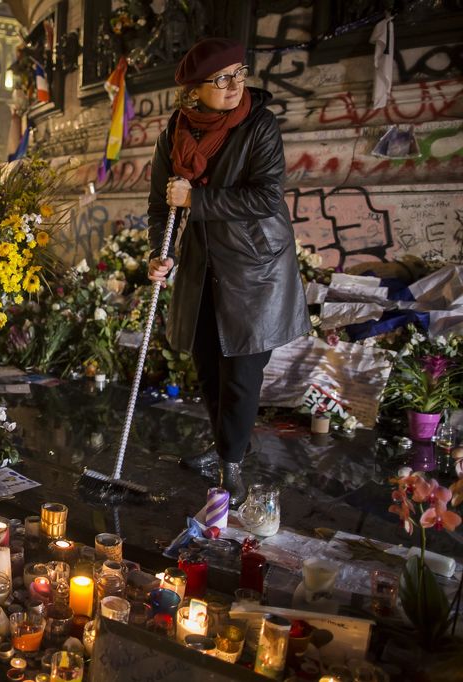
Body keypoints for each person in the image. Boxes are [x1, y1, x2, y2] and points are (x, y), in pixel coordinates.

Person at [146, 38, 308, 507]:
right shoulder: (174, 133)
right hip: (202, 265)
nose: (235, 84)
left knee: (240, 370)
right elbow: (160, 204)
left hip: (254, 267)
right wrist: (161, 253)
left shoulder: (259, 124)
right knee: (207, 364)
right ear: (193, 91)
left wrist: (196, 199)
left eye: (239, 72)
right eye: (222, 78)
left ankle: (231, 465)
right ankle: (227, 446)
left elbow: (267, 197)